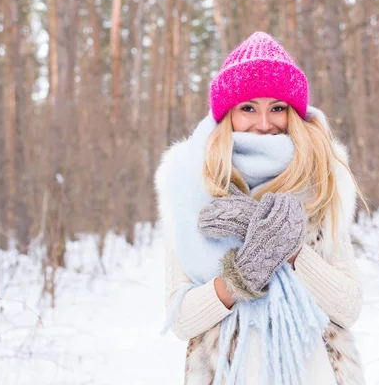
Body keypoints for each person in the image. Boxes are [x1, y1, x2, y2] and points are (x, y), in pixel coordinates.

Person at [155, 31, 365, 385]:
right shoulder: (190, 185)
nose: (264, 124)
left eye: (277, 108)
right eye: (248, 108)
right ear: (227, 113)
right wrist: (244, 273)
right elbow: (182, 321)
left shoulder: (322, 180)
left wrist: (290, 248)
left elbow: (348, 307)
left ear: (293, 113)